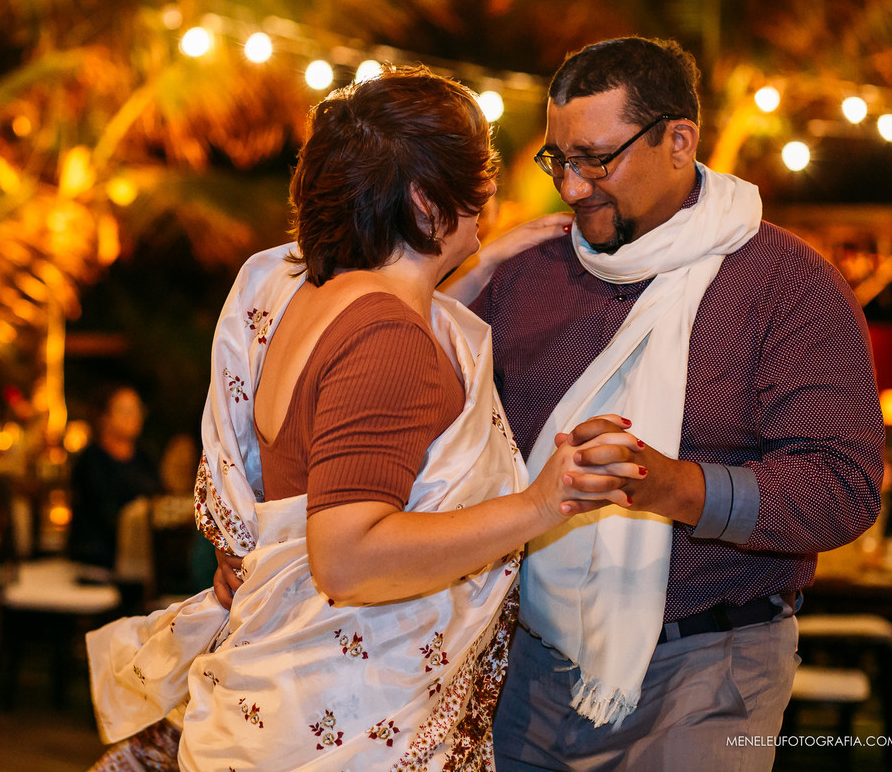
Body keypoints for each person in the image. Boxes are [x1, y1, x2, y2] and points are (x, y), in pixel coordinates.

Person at [85, 65, 645, 771]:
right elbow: (346, 557)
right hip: (345, 724)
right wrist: (541, 501)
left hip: (287, 702)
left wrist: (478, 261)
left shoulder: (299, 294)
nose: (492, 191)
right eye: (478, 172)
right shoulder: (388, 338)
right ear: (422, 198)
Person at [452, 37, 884, 771]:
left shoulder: (786, 285)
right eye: (558, 159)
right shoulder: (522, 275)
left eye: (597, 158)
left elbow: (842, 486)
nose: (573, 186)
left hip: (714, 668)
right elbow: (439, 434)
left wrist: (676, 487)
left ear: (679, 140)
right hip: (527, 661)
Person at [67, 385, 161, 574]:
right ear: (104, 417)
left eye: (137, 410)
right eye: (124, 410)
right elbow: (102, 512)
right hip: (97, 559)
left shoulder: (145, 458)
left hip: (145, 559)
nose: (133, 416)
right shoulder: (91, 460)